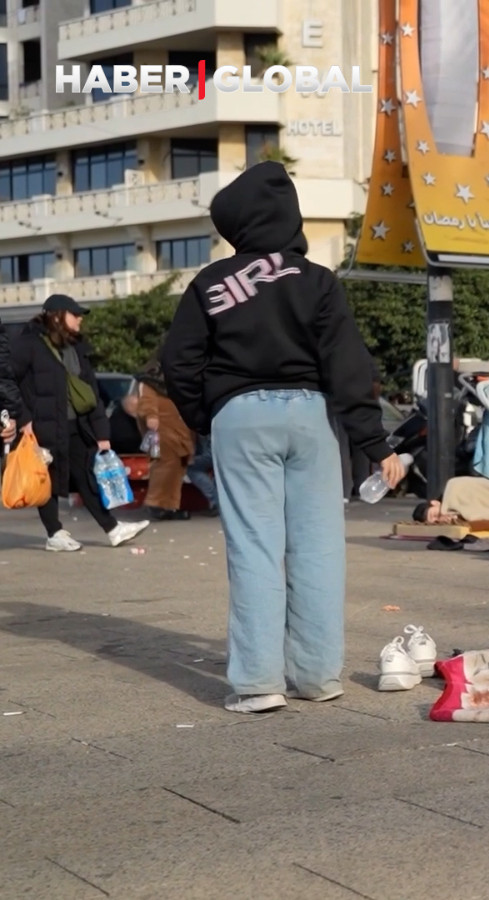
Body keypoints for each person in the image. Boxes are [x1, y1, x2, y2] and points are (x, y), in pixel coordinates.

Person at [162, 161, 405, 714]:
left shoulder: (210, 283)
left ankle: (258, 684)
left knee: (255, 551)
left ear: (236, 226)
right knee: (318, 550)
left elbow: (179, 362)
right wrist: (374, 443)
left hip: (240, 417)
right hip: (312, 417)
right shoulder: (317, 280)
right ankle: (318, 677)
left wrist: (211, 412)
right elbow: (347, 364)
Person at [7, 295, 149, 551]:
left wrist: (102, 434)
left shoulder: (75, 348)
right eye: (75, 314)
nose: (80, 318)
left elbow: (90, 393)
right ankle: (55, 533)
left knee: (86, 476)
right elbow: (7, 382)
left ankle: (113, 529)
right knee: (45, 479)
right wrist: (23, 419)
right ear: (58, 316)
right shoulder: (28, 345)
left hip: (75, 426)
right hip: (42, 427)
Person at [134, 359, 196, 520]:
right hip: (162, 432)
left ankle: (169, 505)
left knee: (176, 470)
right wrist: (151, 416)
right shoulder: (149, 383)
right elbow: (147, 402)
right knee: (163, 467)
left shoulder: (173, 384)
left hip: (180, 433)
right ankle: (156, 504)